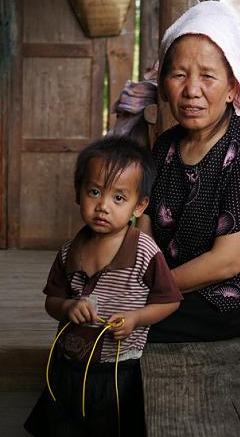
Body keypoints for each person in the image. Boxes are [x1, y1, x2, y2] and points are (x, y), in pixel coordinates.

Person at [137, 0, 240, 342]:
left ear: (232, 86)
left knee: (121, 324)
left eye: (208, 76)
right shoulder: (166, 145)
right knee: (94, 309)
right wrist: (133, 280)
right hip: (174, 283)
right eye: (179, 75)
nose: (192, 90)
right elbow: (144, 226)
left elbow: (226, 263)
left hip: (236, 297)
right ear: (164, 84)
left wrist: (146, 293)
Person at [24, 135, 182, 437]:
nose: (103, 207)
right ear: (78, 193)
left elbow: (170, 300)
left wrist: (136, 318)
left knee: (110, 427)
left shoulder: (145, 252)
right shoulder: (69, 251)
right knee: (63, 424)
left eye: (118, 198)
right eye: (94, 192)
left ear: (140, 205)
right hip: (67, 362)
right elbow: (52, 300)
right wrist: (67, 306)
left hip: (116, 370)